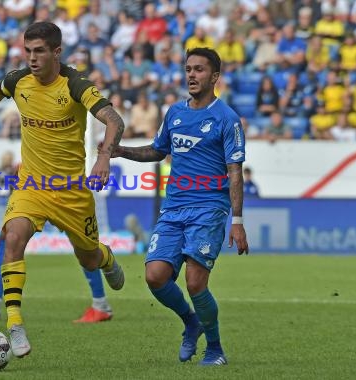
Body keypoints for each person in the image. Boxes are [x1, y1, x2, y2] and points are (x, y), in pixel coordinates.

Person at [0, 22, 126, 358]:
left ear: (56, 52)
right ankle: (15, 324)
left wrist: (104, 157)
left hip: (71, 192)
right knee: (13, 235)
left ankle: (106, 258)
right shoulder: (18, 80)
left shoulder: (76, 84)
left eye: (39, 52)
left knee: (89, 257)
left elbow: (114, 120)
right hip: (31, 185)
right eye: (28, 51)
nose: (32, 59)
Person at [110, 48, 249, 366]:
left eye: (199, 70)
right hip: (174, 208)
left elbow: (235, 172)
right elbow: (157, 151)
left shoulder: (226, 119)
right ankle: (191, 322)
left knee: (195, 282)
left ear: (214, 77)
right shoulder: (174, 113)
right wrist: (121, 151)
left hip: (209, 207)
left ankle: (215, 349)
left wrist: (237, 220)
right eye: (188, 69)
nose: (191, 75)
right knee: (155, 276)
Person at [0, 155, 116, 324]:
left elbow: (114, 126)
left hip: (64, 187)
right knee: (9, 235)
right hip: (35, 187)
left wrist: (105, 156)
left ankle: (101, 303)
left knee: (84, 248)